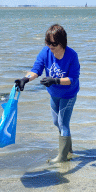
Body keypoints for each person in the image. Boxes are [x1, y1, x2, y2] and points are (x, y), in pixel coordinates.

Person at [15, 24, 80, 163]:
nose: (50, 46)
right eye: (48, 42)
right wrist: (25, 79)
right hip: (54, 93)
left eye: (54, 43)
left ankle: (62, 158)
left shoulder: (72, 56)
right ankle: (68, 150)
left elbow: (72, 80)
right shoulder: (45, 52)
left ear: (62, 42)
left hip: (68, 94)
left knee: (63, 123)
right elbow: (36, 70)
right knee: (57, 122)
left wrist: (55, 80)